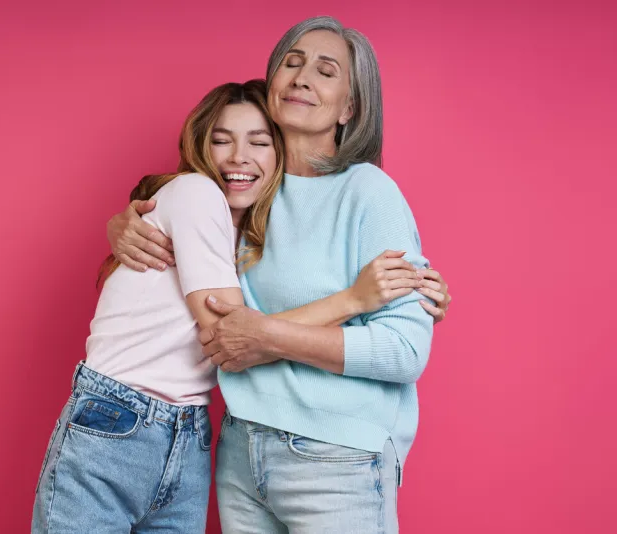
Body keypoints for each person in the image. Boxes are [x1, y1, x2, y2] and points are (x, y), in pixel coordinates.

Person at [32, 79, 428, 534]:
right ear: (201, 145)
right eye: (221, 140)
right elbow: (232, 335)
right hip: (116, 420)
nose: (238, 156)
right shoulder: (197, 194)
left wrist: (417, 283)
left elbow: (261, 325)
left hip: (189, 433)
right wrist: (354, 300)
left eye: (259, 142)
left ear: (281, 155)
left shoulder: (250, 238)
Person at [105, 16, 451, 533]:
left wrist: (267, 337)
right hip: (241, 453)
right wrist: (124, 223)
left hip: (339, 457)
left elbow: (404, 351)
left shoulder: (369, 193)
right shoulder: (241, 191)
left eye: (326, 70)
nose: (303, 76)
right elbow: (177, 217)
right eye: (291, 62)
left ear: (350, 109)